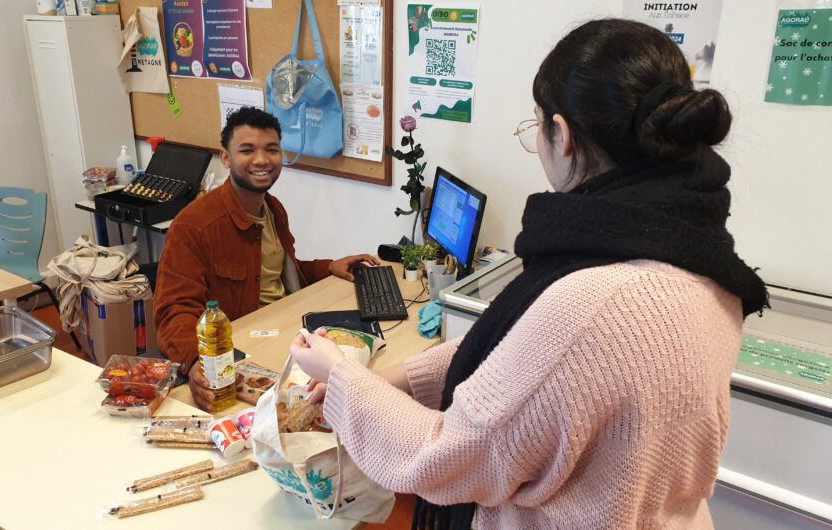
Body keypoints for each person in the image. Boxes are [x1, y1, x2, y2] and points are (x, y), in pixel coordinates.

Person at [290, 18, 768, 529]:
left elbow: (448, 456)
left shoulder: (595, 300)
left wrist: (342, 379)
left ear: (560, 134)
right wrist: (394, 379)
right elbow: (526, 367)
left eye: (535, 123)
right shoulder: (701, 259)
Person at [155, 107, 378, 411]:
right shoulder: (193, 227)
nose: (262, 160)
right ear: (226, 158)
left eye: (271, 149)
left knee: (361, 371)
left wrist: (328, 267)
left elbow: (282, 272)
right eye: (247, 150)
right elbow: (173, 311)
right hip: (242, 353)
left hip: (285, 331)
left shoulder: (273, 208)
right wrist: (196, 362)